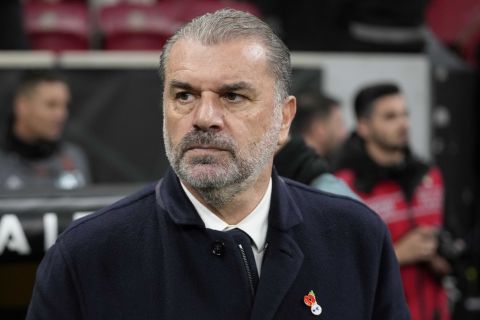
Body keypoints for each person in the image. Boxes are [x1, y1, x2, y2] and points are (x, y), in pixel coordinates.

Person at [27, 10, 409, 319]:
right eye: (184, 95)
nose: (204, 117)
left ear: (284, 120)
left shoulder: (357, 239)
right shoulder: (86, 257)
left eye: (232, 96)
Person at [334, 83, 450, 320]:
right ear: (364, 127)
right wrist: (398, 254)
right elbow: (337, 266)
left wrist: (444, 258)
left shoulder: (430, 176)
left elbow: (450, 235)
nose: (403, 123)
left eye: (405, 114)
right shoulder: (343, 186)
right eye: (390, 116)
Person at [0, 70, 90, 190]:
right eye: (51, 105)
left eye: (65, 106)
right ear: (22, 106)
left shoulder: (74, 157)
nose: (61, 114)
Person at [274, 91, 356, 198]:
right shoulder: (324, 186)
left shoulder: (276, 172)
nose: (345, 132)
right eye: (339, 123)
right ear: (319, 129)